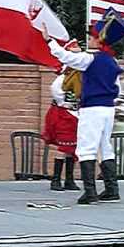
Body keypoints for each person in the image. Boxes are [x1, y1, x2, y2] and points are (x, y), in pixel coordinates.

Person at [41, 7, 124, 205]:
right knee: (105, 146)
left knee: (86, 148)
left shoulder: (90, 59)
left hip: (92, 108)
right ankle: (111, 188)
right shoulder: (112, 61)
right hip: (109, 109)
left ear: (99, 40)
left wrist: (49, 41)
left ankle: (90, 191)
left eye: (91, 37)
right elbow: (117, 88)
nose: (88, 40)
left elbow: (66, 57)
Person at [42, 39, 81, 192]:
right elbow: (57, 91)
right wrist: (65, 103)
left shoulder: (79, 75)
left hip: (75, 114)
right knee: (64, 147)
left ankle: (69, 180)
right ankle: (56, 179)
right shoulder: (64, 77)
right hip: (63, 113)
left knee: (73, 147)